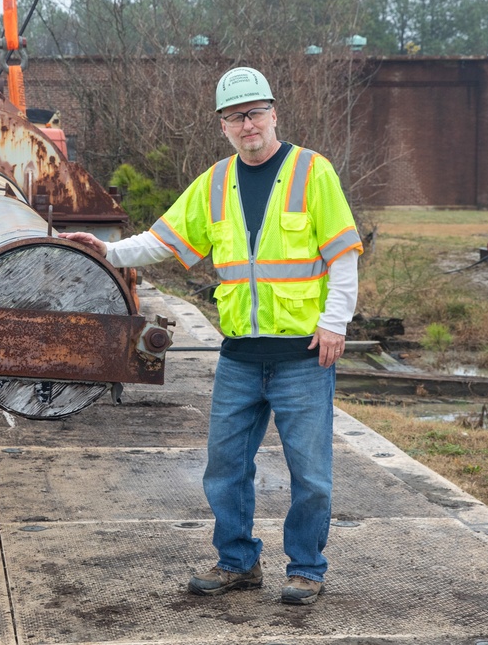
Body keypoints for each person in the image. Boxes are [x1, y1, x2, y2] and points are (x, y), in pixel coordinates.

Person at [60, 66, 362, 606]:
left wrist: (335, 321)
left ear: (273, 115)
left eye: (254, 114)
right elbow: (163, 239)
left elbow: (343, 256)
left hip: (302, 355)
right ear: (222, 126)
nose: (247, 126)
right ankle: (238, 562)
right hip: (241, 357)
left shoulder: (312, 172)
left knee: (311, 474)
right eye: (234, 117)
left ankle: (307, 568)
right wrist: (108, 251)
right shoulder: (216, 181)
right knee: (224, 468)